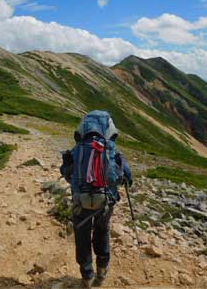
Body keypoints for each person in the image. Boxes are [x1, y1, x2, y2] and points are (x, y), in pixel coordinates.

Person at [60, 110, 132, 288]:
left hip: (80, 201)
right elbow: (126, 177)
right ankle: (102, 269)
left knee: (82, 236)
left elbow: (65, 172)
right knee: (102, 232)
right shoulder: (112, 151)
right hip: (105, 202)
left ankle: (87, 275)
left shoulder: (77, 150)